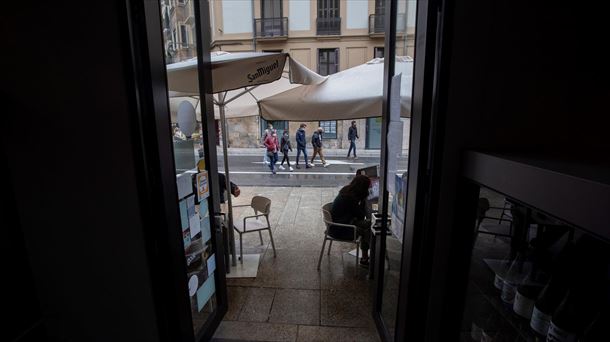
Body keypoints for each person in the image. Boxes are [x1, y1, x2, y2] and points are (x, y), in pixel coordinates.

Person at [330, 175, 372, 267]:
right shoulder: (350, 198)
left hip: (341, 223)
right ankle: (365, 259)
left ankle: (369, 252)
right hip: (341, 229)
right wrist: (364, 200)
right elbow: (361, 216)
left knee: (370, 224)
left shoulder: (347, 191)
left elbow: (358, 216)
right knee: (367, 230)